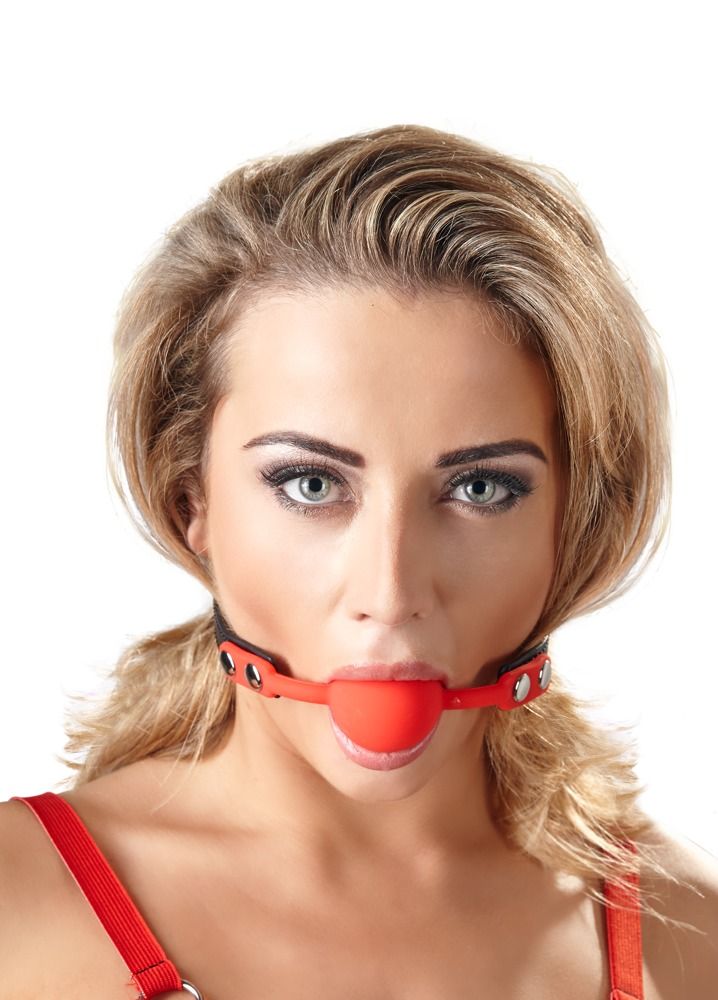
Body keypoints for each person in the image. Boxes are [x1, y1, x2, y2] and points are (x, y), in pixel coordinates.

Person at [1, 123, 716, 1000]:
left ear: (575, 522)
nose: (391, 592)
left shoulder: (690, 934)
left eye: (482, 488)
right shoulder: (16, 906)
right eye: (310, 485)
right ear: (192, 502)